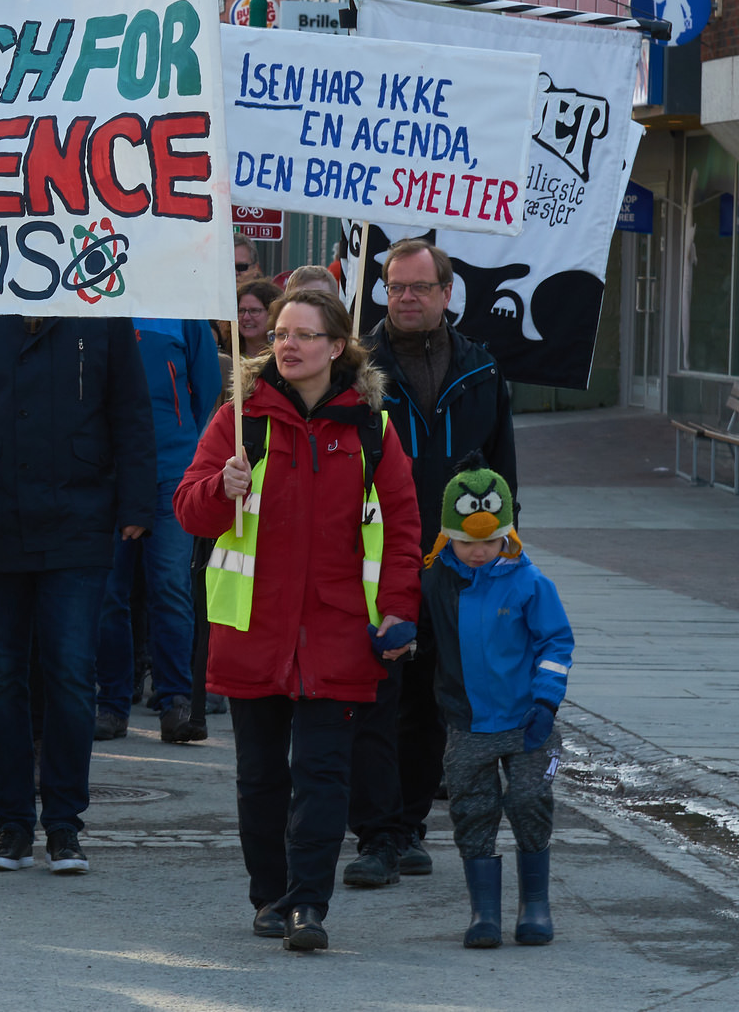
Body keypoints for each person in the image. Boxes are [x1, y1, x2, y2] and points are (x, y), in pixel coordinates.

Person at [174, 288, 422, 951]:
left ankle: (308, 903)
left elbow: (401, 525)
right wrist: (215, 489)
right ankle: (270, 894)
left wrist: (399, 609)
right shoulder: (238, 418)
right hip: (252, 630)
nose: (287, 343)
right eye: (281, 331)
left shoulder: (373, 427)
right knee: (260, 776)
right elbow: (189, 511)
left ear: (336, 346)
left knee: (322, 773)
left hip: (339, 632)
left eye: (305, 334)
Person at [0, 311, 155, 876]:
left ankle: (66, 824)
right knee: (0, 676)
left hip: (79, 517)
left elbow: (130, 411)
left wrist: (138, 503)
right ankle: (13, 825)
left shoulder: (102, 315)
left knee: (71, 672)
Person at [345, 236, 519, 888]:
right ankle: (377, 835)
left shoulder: (482, 369)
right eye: (396, 286)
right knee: (377, 700)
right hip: (379, 562)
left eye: (419, 287)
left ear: (448, 294)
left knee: (433, 703)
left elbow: (503, 471)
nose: (406, 297)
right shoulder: (358, 366)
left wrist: (505, 556)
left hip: (458, 568)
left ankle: (411, 823)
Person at [418, 455, 570, 948]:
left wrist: (545, 702)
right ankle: (485, 913)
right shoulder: (437, 580)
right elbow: (418, 625)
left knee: (529, 800)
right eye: (466, 542)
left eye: (488, 541)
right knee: (472, 809)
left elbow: (556, 643)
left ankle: (535, 905)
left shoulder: (529, 583)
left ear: (506, 533)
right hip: (466, 723)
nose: (478, 552)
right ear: (447, 537)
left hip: (529, 721)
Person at [96, 319, 221, 744]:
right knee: (108, 592)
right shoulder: (99, 305)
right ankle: (112, 703)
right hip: (109, 471)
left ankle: (175, 702)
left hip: (173, 471)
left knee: (169, 587)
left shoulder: (186, 314)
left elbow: (206, 391)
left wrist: (182, 444)